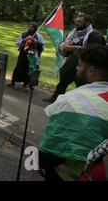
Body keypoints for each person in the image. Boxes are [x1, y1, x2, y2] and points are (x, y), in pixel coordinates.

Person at [38, 45, 108, 181]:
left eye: (80, 65)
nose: (76, 68)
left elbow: (51, 145)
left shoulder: (71, 101)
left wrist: (38, 161)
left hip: (67, 174)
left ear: (91, 70)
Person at [43, 14, 106, 103]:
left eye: (79, 21)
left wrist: (70, 47)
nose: (76, 23)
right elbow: (66, 45)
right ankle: (55, 98)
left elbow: (93, 50)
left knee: (81, 84)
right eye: (76, 21)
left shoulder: (94, 35)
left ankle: (79, 104)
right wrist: (65, 50)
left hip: (85, 65)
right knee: (63, 81)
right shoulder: (73, 33)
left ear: (87, 23)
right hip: (71, 61)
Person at [10, 22, 45, 89]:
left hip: (32, 55)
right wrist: (25, 39)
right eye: (28, 26)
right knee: (19, 67)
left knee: (29, 69)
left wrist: (36, 42)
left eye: (32, 27)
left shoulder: (39, 36)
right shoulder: (23, 34)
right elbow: (17, 43)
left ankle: (26, 84)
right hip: (23, 54)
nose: (29, 28)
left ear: (35, 28)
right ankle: (14, 82)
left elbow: (42, 47)